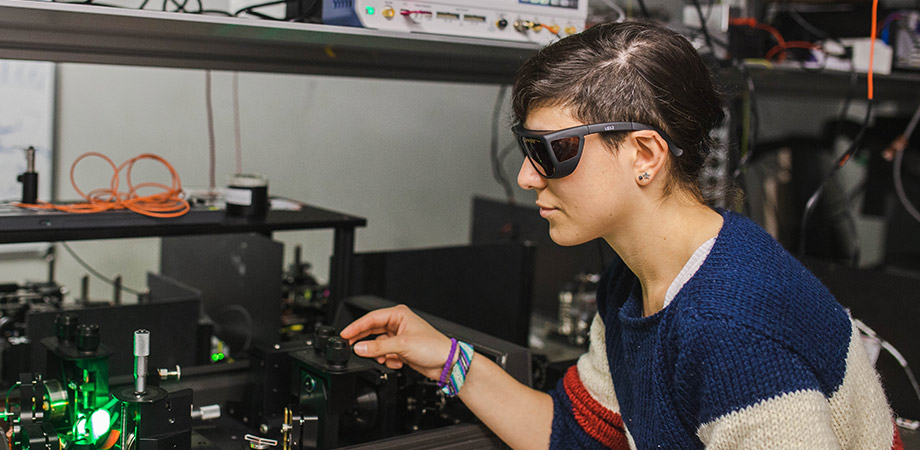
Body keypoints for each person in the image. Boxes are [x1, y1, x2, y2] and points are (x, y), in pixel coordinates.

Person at [340, 20, 901, 449]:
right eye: (527, 148)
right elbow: (573, 435)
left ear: (644, 154)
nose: (525, 175)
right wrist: (445, 359)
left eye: (552, 151)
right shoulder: (637, 281)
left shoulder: (730, 326)